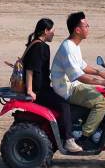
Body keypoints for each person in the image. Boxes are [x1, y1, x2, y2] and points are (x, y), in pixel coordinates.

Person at [51, 11, 105, 146]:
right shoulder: (68, 48)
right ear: (77, 30)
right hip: (67, 89)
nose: (88, 28)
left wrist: (100, 73)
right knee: (101, 103)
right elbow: (79, 76)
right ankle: (85, 136)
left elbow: (82, 66)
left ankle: (95, 128)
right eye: (86, 26)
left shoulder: (74, 45)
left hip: (73, 85)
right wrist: (103, 82)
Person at [22, 18, 82, 153]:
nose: (54, 34)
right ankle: (68, 140)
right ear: (45, 31)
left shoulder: (37, 45)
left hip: (43, 87)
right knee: (64, 105)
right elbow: (30, 69)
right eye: (52, 31)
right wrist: (30, 90)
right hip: (39, 90)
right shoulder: (39, 47)